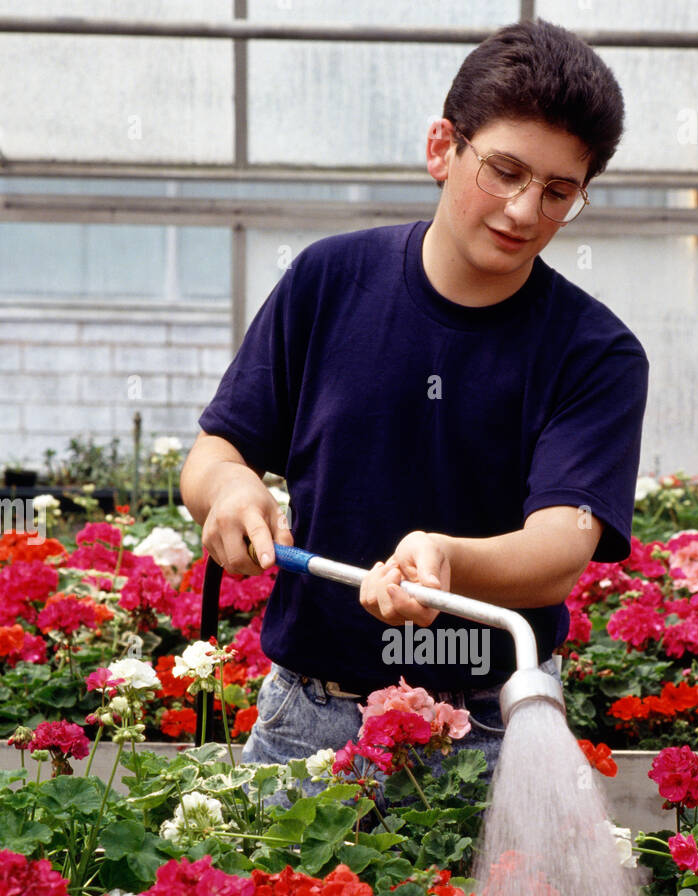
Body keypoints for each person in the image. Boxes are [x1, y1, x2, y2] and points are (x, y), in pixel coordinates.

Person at [180, 17, 648, 790]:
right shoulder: (326, 282)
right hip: (310, 719)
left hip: (492, 729)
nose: (526, 211)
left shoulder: (594, 352)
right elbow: (216, 450)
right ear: (442, 148)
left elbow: (559, 551)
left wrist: (447, 562)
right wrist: (230, 490)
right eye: (504, 171)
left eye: (558, 192)